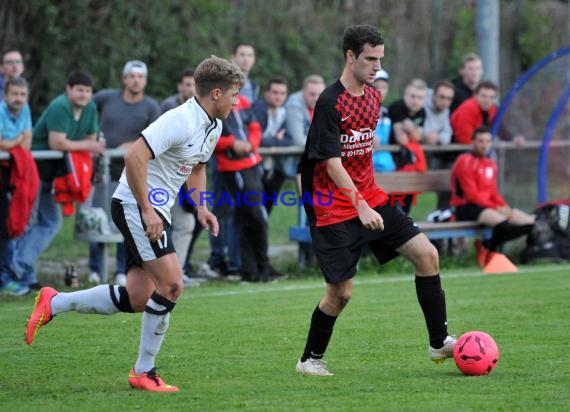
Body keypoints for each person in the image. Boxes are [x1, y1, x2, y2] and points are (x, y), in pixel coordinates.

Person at [24, 56, 244, 392]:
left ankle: (54, 303)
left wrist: (201, 208)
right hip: (133, 204)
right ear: (216, 93)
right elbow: (134, 157)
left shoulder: (213, 125)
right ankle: (144, 371)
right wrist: (146, 210)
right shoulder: (181, 120)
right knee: (172, 285)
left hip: (152, 209)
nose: (236, 100)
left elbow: (197, 169)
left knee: (140, 297)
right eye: (234, 94)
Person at [295, 24, 455, 377]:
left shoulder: (373, 97)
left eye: (380, 60)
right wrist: (360, 205)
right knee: (341, 294)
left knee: (427, 255)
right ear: (350, 56)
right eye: (370, 59)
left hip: (371, 198)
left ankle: (439, 342)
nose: (376, 67)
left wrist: (370, 199)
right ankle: (309, 360)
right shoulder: (328, 102)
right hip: (333, 209)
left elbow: (361, 152)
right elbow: (331, 162)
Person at [10, 71, 104, 290]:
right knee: (27, 223)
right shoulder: (60, 106)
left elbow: (92, 137)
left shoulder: (90, 108)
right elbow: (57, 143)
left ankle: (20, 269)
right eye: (79, 89)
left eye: (87, 91)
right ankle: (18, 270)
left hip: (55, 175)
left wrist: (84, 144)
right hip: (33, 170)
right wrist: (87, 146)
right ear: (68, 89)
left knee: (50, 222)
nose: (83, 95)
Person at [89, 60, 160, 286]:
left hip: (131, 176)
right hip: (101, 172)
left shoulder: (151, 106)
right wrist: (93, 138)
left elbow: (156, 138)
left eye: (140, 76)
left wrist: (130, 145)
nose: (135, 80)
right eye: (131, 75)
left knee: (125, 221)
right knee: (97, 219)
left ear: (145, 81)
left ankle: (121, 269)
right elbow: (83, 112)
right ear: (124, 79)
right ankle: (94, 268)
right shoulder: (105, 98)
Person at [450, 126, 535, 267]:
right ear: (473, 142)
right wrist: (497, 208)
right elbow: (471, 196)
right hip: (466, 207)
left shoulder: (490, 163)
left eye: (488, 141)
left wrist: (505, 207)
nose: (484, 145)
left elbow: (493, 192)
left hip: (487, 206)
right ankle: (490, 253)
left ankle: (487, 246)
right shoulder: (465, 161)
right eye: (480, 141)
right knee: (503, 225)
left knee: (529, 223)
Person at [0, 77, 34, 296]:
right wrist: (15, 141)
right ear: (5, 95)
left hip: (11, 174)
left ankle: (5, 277)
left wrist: (10, 142)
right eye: (14, 94)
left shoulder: (26, 111)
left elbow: (27, 143)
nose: (18, 99)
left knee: (8, 226)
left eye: (22, 95)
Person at [252, 76, 294, 214]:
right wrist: (276, 139)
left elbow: (289, 140)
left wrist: (272, 140)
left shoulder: (284, 112)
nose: (279, 97)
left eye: (282, 93)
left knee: (266, 209)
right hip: (254, 165)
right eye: (275, 92)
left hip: (274, 167)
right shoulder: (258, 109)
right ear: (267, 93)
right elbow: (256, 140)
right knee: (253, 208)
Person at [388, 78, 428, 214]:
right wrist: (413, 131)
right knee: (395, 207)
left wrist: (409, 128)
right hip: (393, 164)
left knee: (407, 207)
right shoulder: (397, 107)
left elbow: (417, 137)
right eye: (412, 96)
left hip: (410, 164)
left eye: (420, 98)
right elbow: (402, 140)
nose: (415, 100)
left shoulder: (422, 112)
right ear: (405, 95)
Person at [450, 80, 498, 144]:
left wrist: (513, 139)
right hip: (456, 149)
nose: (487, 101)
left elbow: (500, 128)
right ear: (475, 96)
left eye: (491, 97)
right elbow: (464, 137)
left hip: (477, 146)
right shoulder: (468, 108)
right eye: (484, 96)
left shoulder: (492, 109)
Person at [371, 69, 396, 173]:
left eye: (384, 87)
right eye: (377, 87)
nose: (380, 91)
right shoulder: (358, 110)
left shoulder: (388, 113)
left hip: (387, 167)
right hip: (366, 167)